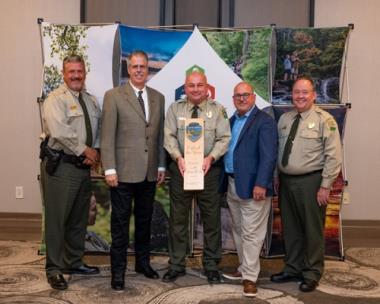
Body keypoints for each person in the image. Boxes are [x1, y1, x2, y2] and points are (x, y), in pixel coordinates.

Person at [100, 50, 166, 291]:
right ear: (128, 70)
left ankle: (142, 263)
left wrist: (160, 165)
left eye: (143, 67)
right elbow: (107, 136)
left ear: (148, 70)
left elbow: (157, 137)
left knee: (145, 222)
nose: (139, 70)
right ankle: (118, 272)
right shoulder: (114, 96)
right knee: (119, 225)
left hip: (149, 173)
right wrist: (109, 168)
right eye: (135, 66)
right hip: (123, 174)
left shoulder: (158, 98)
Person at [271, 75, 342, 292]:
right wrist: (275, 176)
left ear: (314, 95)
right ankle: (292, 267)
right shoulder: (284, 119)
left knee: (312, 230)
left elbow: (334, 156)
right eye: (296, 92)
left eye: (305, 92)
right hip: (286, 182)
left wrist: (325, 185)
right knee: (290, 228)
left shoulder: (325, 120)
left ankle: (312, 273)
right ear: (292, 95)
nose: (300, 96)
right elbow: (277, 152)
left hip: (312, 182)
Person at [163, 71, 231, 284]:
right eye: (191, 85)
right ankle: (176, 264)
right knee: (178, 219)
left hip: (208, 171)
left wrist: (211, 157)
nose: (195, 89)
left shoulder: (218, 110)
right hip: (181, 169)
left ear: (206, 86)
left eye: (199, 85)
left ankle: (211, 265)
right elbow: (169, 136)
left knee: (212, 220)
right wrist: (177, 157)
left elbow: (224, 138)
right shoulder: (175, 109)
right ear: (185, 87)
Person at [41, 54, 101, 290]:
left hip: (82, 168)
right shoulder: (55, 99)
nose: (76, 75)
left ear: (85, 73)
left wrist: (94, 150)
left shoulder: (90, 100)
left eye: (80, 71)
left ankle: (73, 261)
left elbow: (95, 130)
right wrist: (86, 150)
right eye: (71, 72)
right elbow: (59, 131)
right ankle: (54, 269)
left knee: (78, 218)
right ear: (64, 74)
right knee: (57, 220)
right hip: (62, 166)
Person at [220, 82, 278, 297]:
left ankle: (250, 279)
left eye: (246, 95)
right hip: (233, 183)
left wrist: (261, 183)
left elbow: (269, 156)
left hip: (255, 187)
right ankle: (244, 268)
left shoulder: (265, 122)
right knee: (238, 229)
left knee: (252, 233)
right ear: (233, 99)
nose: (242, 99)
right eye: (238, 96)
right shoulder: (232, 120)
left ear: (253, 97)